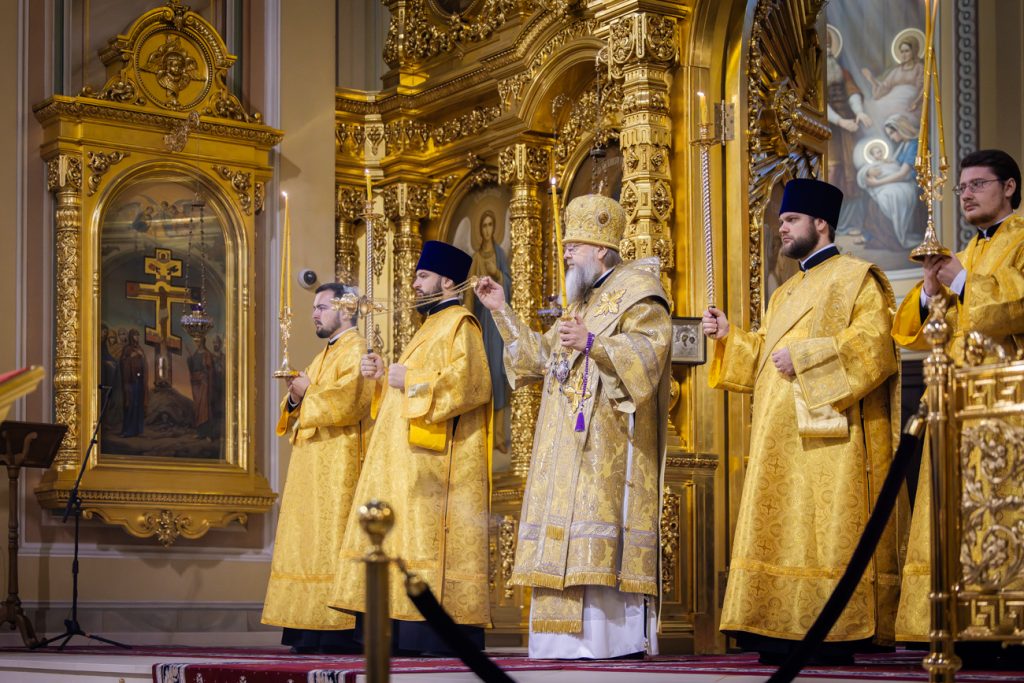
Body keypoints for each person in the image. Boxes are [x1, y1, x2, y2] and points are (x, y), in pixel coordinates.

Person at [702, 178, 901, 665]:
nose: (782, 229)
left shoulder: (858, 277)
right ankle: (778, 628)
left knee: (823, 532)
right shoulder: (785, 291)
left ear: (821, 223)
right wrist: (730, 337)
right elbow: (767, 358)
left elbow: (875, 346)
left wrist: (808, 357)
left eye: (791, 220)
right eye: (781, 221)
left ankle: (833, 631)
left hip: (830, 438)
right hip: (778, 439)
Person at [475, 193, 672, 659]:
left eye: (574, 245)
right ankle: (558, 644)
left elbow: (650, 353)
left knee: (594, 532)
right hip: (563, 444)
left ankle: (607, 641)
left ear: (601, 249)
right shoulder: (582, 303)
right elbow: (536, 359)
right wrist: (501, 309)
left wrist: (594, 345)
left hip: (607, 447)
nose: (565, 252)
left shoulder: (639, 291)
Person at [328, 241, 492, 656]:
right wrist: (383, 379)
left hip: (436, 464)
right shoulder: (429, 326)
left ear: (447, 281)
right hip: (409, 463)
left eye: (422, 276)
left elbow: (472, 385)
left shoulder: (461, 324)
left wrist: (412, 381)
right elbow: (404, 394)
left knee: (423, 544)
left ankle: (432, 633)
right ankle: (399, 631)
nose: (415, 284)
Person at [891, 149, 1024, 645]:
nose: (966, 194)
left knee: (1002, 513)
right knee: (953, 514)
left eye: (977, 184)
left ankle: (1005, 628)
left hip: (1006, 407)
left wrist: (963, 282)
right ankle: (952, 625)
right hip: (954, 405)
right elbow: (914, 333)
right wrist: (930, 290)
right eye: (961, 187)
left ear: (1008, 187)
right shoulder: (962, 256)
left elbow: (1017, 303)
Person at [262, 282, 374, 654]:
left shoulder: (357, 349)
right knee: (307, 543)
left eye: (322, 307)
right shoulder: (323, 355)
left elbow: (352, 402)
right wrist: (295, 398)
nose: (314, 314)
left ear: (346, 309)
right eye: (314, 307)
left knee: (331, 543)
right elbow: (298, 405)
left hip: (339, 466)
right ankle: (306, 628)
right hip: (310, 465)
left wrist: (307, 392)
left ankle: (335, 631)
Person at [463, 210, 513, 455]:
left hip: (498, 324)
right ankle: (484, 434)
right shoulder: (475, 258)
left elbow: (510, 284)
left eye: (491, 225)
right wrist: (468, 322)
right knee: (485, 376)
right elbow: (469, 293)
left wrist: (497, 274)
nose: (487, 230)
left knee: (499, 378)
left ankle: (499, 436)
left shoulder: (500, 254)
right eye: (484, 226)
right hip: (483, 322)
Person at [119, 329, 147, 438]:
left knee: (138, 405)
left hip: (139, 381)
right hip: (130, 382)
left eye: (138, 335)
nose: (137, 337)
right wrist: (131, 357)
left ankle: (137, 429)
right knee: (130, 404)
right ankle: (128, 430)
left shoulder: (140, 349)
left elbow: (144, 364)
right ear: (131, 336)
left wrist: (141, 356)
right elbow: (123, 362)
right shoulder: (127, 349)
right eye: (135, 335)